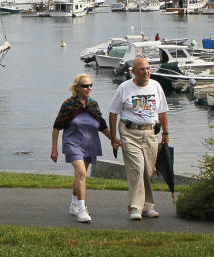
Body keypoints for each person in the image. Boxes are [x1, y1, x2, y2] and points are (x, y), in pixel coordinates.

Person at [109, 56, 169, 220]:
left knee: (148, 171)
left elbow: (162, 112)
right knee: (137, 169)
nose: (146, 72)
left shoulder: (156, 86)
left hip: (151, 133)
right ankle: (135, 207)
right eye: (142, 69)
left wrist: (166, 133)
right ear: (133, 72)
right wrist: (114, 137)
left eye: (148, 68)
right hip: (130, 133)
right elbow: (113, 113)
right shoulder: (124, 88)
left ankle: (148, 206)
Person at [51, 73, 112, 223]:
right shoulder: (68, 104)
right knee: (81, 173)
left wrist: (115, 140)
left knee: (80, 176)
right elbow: (56, 127)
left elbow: (102, 125)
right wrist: (54, 149)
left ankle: (73, 203)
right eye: (85, 86)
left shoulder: (93, 104)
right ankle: (82, 209)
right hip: (72, 143)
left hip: (90, 143)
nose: (89, 88)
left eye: (91, 85)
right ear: (77, 88)